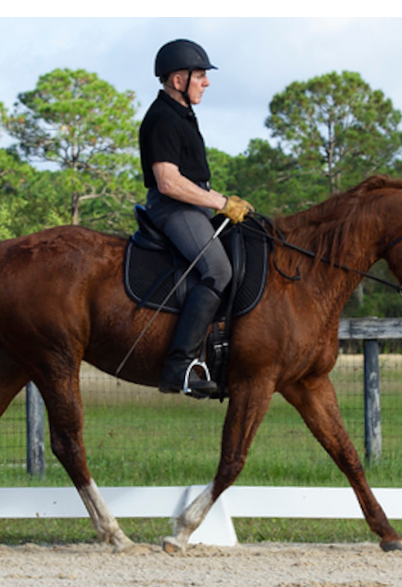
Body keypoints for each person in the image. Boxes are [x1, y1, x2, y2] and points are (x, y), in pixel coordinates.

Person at [139, 39, 254, 397]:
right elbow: (168, 181)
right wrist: (221, 202)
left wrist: (220, 202)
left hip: (194, 205)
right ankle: (179, 367)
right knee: (218, 270)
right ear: (178, 80)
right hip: (173, 207)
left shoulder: (182, 115)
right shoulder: (161, 119)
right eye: (200, 76)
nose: (206, 82)